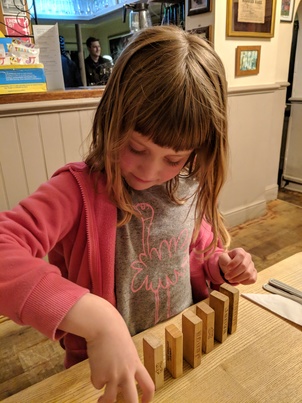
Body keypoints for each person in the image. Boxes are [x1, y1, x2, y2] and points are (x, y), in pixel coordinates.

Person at [0, 26, 257, 402]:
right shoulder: (76, 191)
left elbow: (192, 257)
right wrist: (98, 320)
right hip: (105, 374)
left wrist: (220, 265)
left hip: (179, 349)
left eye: (173, 158)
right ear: (112, 118)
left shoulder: (186, 188)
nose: (151, 171)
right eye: (136, 147)